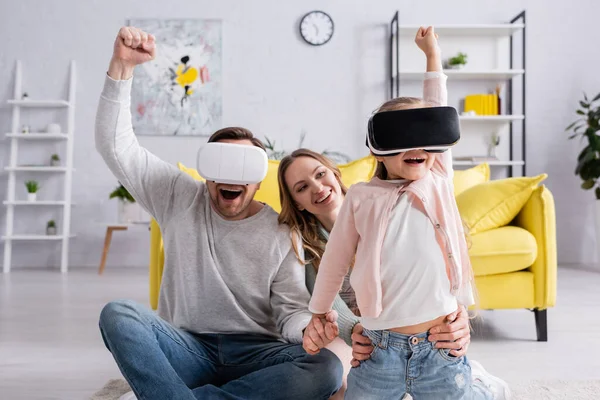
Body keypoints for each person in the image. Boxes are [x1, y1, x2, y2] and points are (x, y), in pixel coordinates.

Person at [96, 26, 342, 400]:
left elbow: (290, 311)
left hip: (257, 351)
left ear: (258, 181)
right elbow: (116, 147)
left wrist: (308, 328)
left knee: (326, 367)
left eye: (242, 168)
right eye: (222, 166)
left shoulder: (279, 231)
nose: (230, 178)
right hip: (185, 346)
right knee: (118, 314)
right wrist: (122, 68)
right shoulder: (177, 195)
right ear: (207, 171)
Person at [305, 26, 512, 399]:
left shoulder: (435, 178)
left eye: (426, 137)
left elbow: (436, 107)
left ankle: (485, 388)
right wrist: (320, 311)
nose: (418, 146)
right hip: (380, 350)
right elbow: (334, 259)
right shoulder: (361, 197)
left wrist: (432, 55)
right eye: (402, 140)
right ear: (379, 150)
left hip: (440, 346)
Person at [277, 149, 474, 399]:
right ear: (296, 202)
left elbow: (438, 260)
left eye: (320, 174)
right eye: (302, 187)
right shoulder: (302, 243)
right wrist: (356, 332)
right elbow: (329, 298)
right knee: (343, 382)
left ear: (336, 174)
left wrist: (457, 312)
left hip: (418, 327)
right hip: (364, 332)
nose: (317, 188)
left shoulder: (390, 204)